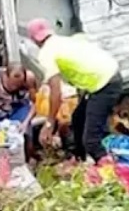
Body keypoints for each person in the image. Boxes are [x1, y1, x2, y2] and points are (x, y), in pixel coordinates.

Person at [28, 18, 122, 162]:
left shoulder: (46, 53)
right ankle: (81, 160)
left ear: (34, 39)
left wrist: (49, 123)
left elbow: (56, 92)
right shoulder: (65, 40)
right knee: (78, 119)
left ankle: (111, 171)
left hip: (104, 84)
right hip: (108, 76)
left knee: (91, 141)